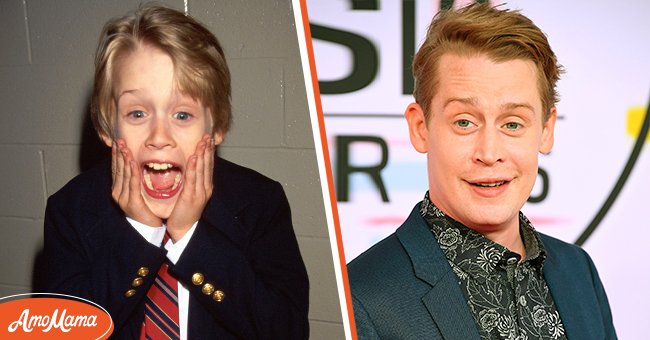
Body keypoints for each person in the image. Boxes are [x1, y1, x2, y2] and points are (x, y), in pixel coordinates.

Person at [347, 3, 616, 339]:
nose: (489, 153)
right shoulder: (361, 298)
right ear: (420, 127)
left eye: (513, 123)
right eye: (464, 122)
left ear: (546, 130)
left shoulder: (578, 272)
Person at [43, 5, 309, 339]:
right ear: (107, 128)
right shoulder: (70, 211)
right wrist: (141, 234)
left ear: (218, 126)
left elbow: (287, 331)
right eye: (137, 114)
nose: (159, 137)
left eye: (182, 115)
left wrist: (190, 236)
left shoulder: (259, 202)